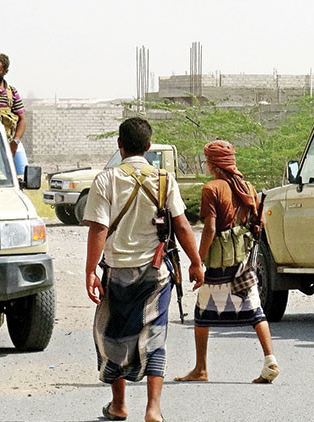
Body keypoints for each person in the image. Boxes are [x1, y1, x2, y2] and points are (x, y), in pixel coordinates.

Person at [84, 117, 204, 422]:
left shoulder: (105, 180)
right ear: (148, 146)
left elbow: (98, 229)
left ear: (119, 145)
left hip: (117, 272)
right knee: (155, 337)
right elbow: (182, 225)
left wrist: (90, 272)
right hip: (156, 274)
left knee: (115, 336)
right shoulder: (164, 180)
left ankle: (119, 405)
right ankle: (153, 408)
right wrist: (195, 262)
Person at [175, 140, 279, 384]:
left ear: (213, 164)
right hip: (243, 263)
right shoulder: (247, 187)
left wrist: (197, 261)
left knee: (202, 314)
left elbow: (210, 229)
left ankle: (201, 369)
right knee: (255, 311)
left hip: (218, 264)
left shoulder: (211, 189)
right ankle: (270, 360)